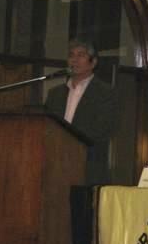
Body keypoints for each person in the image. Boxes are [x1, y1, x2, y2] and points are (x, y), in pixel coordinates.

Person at [45, 39, 119, 185]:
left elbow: (103, 129)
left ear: (93, 62)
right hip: (55, 166)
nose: (75, 60)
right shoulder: (55, 94)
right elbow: (47, 127)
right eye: (71, 55)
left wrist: (69, 144)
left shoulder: (105, 93)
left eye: (81, 55)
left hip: (88, 167)